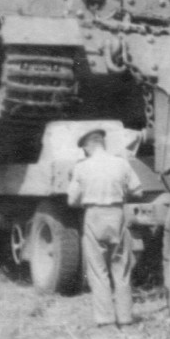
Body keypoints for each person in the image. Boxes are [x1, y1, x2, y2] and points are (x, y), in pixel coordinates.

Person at [66, 128, 143, 327]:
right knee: (122, 269)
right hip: (117, 215)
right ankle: (125, 318)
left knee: (98, 271)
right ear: (102, 143)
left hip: (94, 216)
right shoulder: (121, 163)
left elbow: (72, 200)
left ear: (87, 147)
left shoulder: (81, 167)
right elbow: (138, 190)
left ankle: (105, 319)